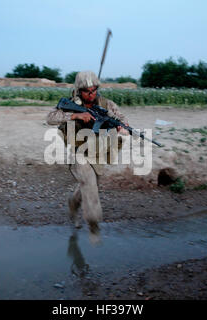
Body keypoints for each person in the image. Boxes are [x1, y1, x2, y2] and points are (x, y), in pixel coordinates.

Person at [46, 71, 128, 243]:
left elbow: (121, 118)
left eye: (94, 90)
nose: (91, 94)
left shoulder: (106, 104)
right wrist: (75, 115)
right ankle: (93, 225)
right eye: (87, 91)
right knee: (90, 185)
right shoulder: (71, 104)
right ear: (78, 90)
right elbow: (51, 118)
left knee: (91, 184)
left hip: (98, 151)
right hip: (78, 150)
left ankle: (72, 203)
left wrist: (122, 126)